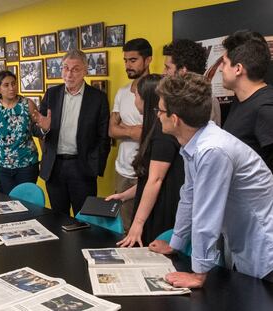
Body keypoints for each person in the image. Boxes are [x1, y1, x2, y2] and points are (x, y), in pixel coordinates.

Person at [149, 72, 273, 288]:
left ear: (175, 119)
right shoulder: (195, 143)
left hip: (264, 248)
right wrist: (175, 243)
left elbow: (206, 213)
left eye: (160, 110)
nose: (158, 115)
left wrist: (199, 273)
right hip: (243, 242)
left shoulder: (212, 150)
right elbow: (189, 197)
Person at [107, 74, 184, 246]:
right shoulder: (154, 128)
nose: (134, 99)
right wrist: (124, 195)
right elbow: (148, 178)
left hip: (161, 211)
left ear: (147, 99)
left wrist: (137, 224)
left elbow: (156, 180)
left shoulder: (161, 134)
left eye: (136, 95)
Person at [33, 49, 110, 216]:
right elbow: (37, 127)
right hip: (55, 166)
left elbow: (104, 137)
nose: (69, 74)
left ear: (85, 71)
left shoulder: (98, 98)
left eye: (75, 69)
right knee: (58, 218)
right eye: (65, 68)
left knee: (85, 219)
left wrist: (94, 167)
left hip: (82, 167)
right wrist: (44, 128)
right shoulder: (52, 94)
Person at [108, 38, 150, 233]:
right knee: (123, 226)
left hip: (147, 171)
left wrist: (124, 128)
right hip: (122, 170)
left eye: (133, 60)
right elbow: (111, 130)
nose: (127, 65)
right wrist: (134, 131)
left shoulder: (157, 90)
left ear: (148, 60)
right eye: (125, 60)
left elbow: (154, 132)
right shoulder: (122, 92)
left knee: (146, 227)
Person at [221, 30, 273, 172]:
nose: (221, 69)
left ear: (238, 69)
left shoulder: (266, 109)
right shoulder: (240, 100)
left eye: (224, 63)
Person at [0, 70, 40, 194]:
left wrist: (45, 158)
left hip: (27, 164)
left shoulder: (27, 104)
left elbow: (41, 133)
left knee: (26, 205)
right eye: (6, 85)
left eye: (13, 84)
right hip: (3, 167)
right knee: (6, 204)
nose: (11, 88)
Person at [162, 39, 221, 126]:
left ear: (182, 70)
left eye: (167, 67)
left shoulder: (206, 101)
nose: (163, 72)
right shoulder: (171, 97)